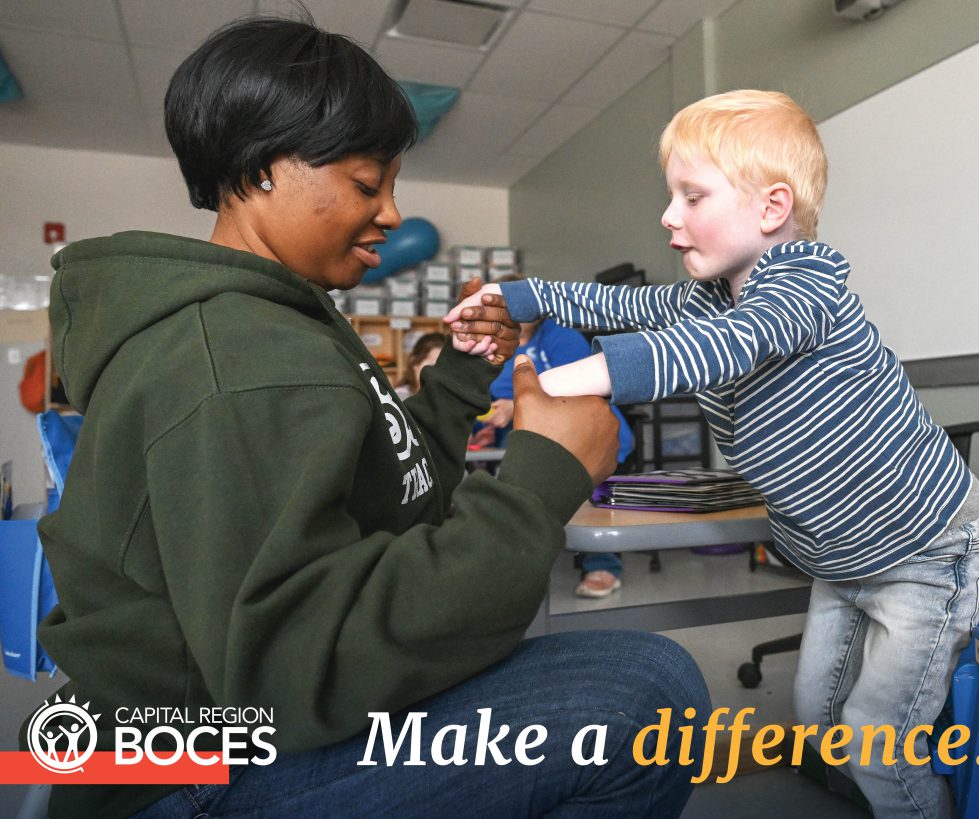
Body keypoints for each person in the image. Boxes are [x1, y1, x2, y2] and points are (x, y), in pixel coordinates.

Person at [23, 17, 711, 819]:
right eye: (365, 184)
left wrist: (457, 379)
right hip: (192, 767)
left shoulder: (287, 325)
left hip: (221, 725)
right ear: (262, 169)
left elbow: (388, 495)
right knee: (645, 697)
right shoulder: (237, 356)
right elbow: (293, 668)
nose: (389, 214)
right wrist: (537, 482)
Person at [448, 89, 979, 818]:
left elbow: (727, 346)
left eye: (691, 195)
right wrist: (511, 295)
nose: (670, 216)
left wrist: (556, 381)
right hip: (841, 560)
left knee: (876, 740)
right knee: (818, 715)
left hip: (927, 551)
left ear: (770, 209)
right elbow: (618, 306)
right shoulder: (707, 297)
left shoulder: (805, 286)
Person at [471, 277, 634, 598]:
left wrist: (515, 404)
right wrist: (486, 425)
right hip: (524, 437)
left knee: (585, 496)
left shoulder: (562, 338)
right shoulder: (492, 347)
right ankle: (513, 568)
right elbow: (484, 401)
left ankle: (602, 565)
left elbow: (582, 388)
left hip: (583, 430)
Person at [394, 331, 446, 399]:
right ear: (415, 363)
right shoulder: (400, 398)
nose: (438, 374)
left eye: (444, 367)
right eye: (432, 366)